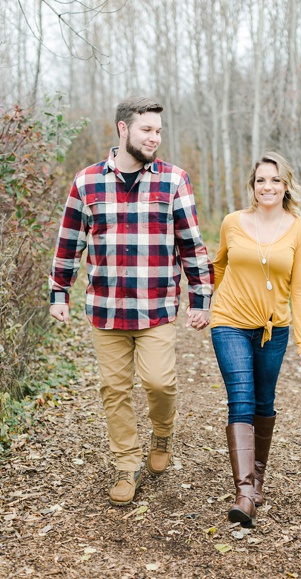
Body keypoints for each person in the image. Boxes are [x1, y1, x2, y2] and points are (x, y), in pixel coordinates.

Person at [49, 96, 213, 506]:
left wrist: (201, 297)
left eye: (158, 131)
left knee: (160, 382)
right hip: (105, 308)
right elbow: (70, 242)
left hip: (156, 306)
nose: (154, 137)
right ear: (123, 129)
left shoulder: (173, 180)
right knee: (114, 389)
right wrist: (59, 291)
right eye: (147, 130)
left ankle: (162, 432)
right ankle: (126, 464)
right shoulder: (86, 181)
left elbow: (191, 244)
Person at [210, 152, 301, 528]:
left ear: (286, 186)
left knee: (264, 402)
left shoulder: (297, 228)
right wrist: (206, 302)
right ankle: (244, 494)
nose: (267, 187)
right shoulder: (233, 222)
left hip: (275, 328)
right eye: (260, 181)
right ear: (252, 186)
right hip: (229, 322)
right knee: (241, 396)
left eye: (274, 180)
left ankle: (257, 478)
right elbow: (219, 263)